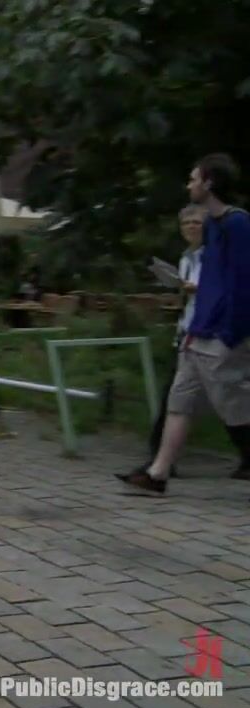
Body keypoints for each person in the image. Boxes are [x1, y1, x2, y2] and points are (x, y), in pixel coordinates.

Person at [119, 154, 250, 492]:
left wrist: (230, 334)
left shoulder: (238, 224)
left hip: (222, 335)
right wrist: (193, 330)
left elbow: (242, 285)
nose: (189, 184)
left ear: (209, 183)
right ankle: (157, 473)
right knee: (179, 402)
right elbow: (211, 284)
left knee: (234, 406)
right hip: (198, 333)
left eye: (194, 179)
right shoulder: (213, 226)